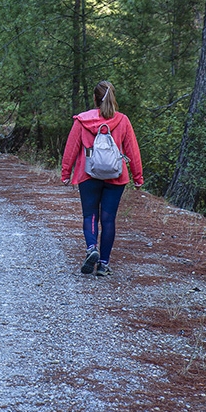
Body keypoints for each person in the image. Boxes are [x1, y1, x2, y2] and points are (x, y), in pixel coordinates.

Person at [61, 81, 143, 276]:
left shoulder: (82, 120)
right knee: (108, 219)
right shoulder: (122, 120)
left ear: (95, 98)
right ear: (113, 97)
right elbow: (133, 150)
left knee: (90, 215)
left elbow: (71, 148)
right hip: (116, 176)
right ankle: (104, 264)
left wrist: (66, 173)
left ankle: (92, 248)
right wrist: (138, 177)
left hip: (88, 174)